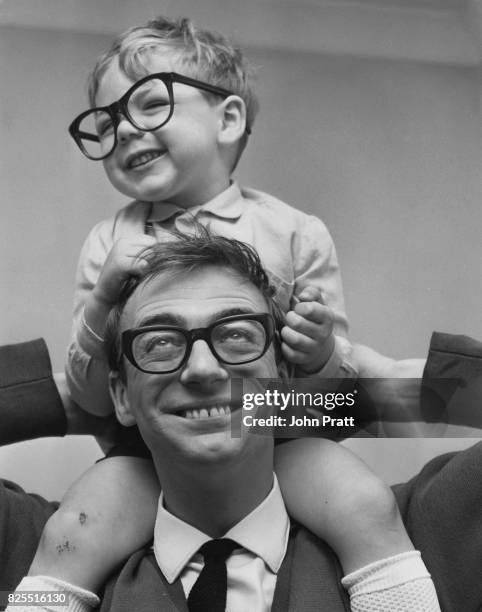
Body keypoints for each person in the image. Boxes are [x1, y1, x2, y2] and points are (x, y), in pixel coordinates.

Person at [21, 13, 427, 600]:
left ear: (228, 118)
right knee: (71, 533)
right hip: (147, 455)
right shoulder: (107, 245)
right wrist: (104, 297)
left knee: (367, 507)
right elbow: (92, 395)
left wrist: (318, 352)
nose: (125, 131)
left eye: (149, 103)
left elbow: (333, 398)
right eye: (106, 123)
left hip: (278, 439)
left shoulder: (295, 232)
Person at [3, 234, 448, 611]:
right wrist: (84, 394)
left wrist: (347, 379)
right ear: (121, 393)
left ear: (285, 377)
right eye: (160, 342)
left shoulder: (412, 532)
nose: (202, 369)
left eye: (236, 334)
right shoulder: (49, 549)